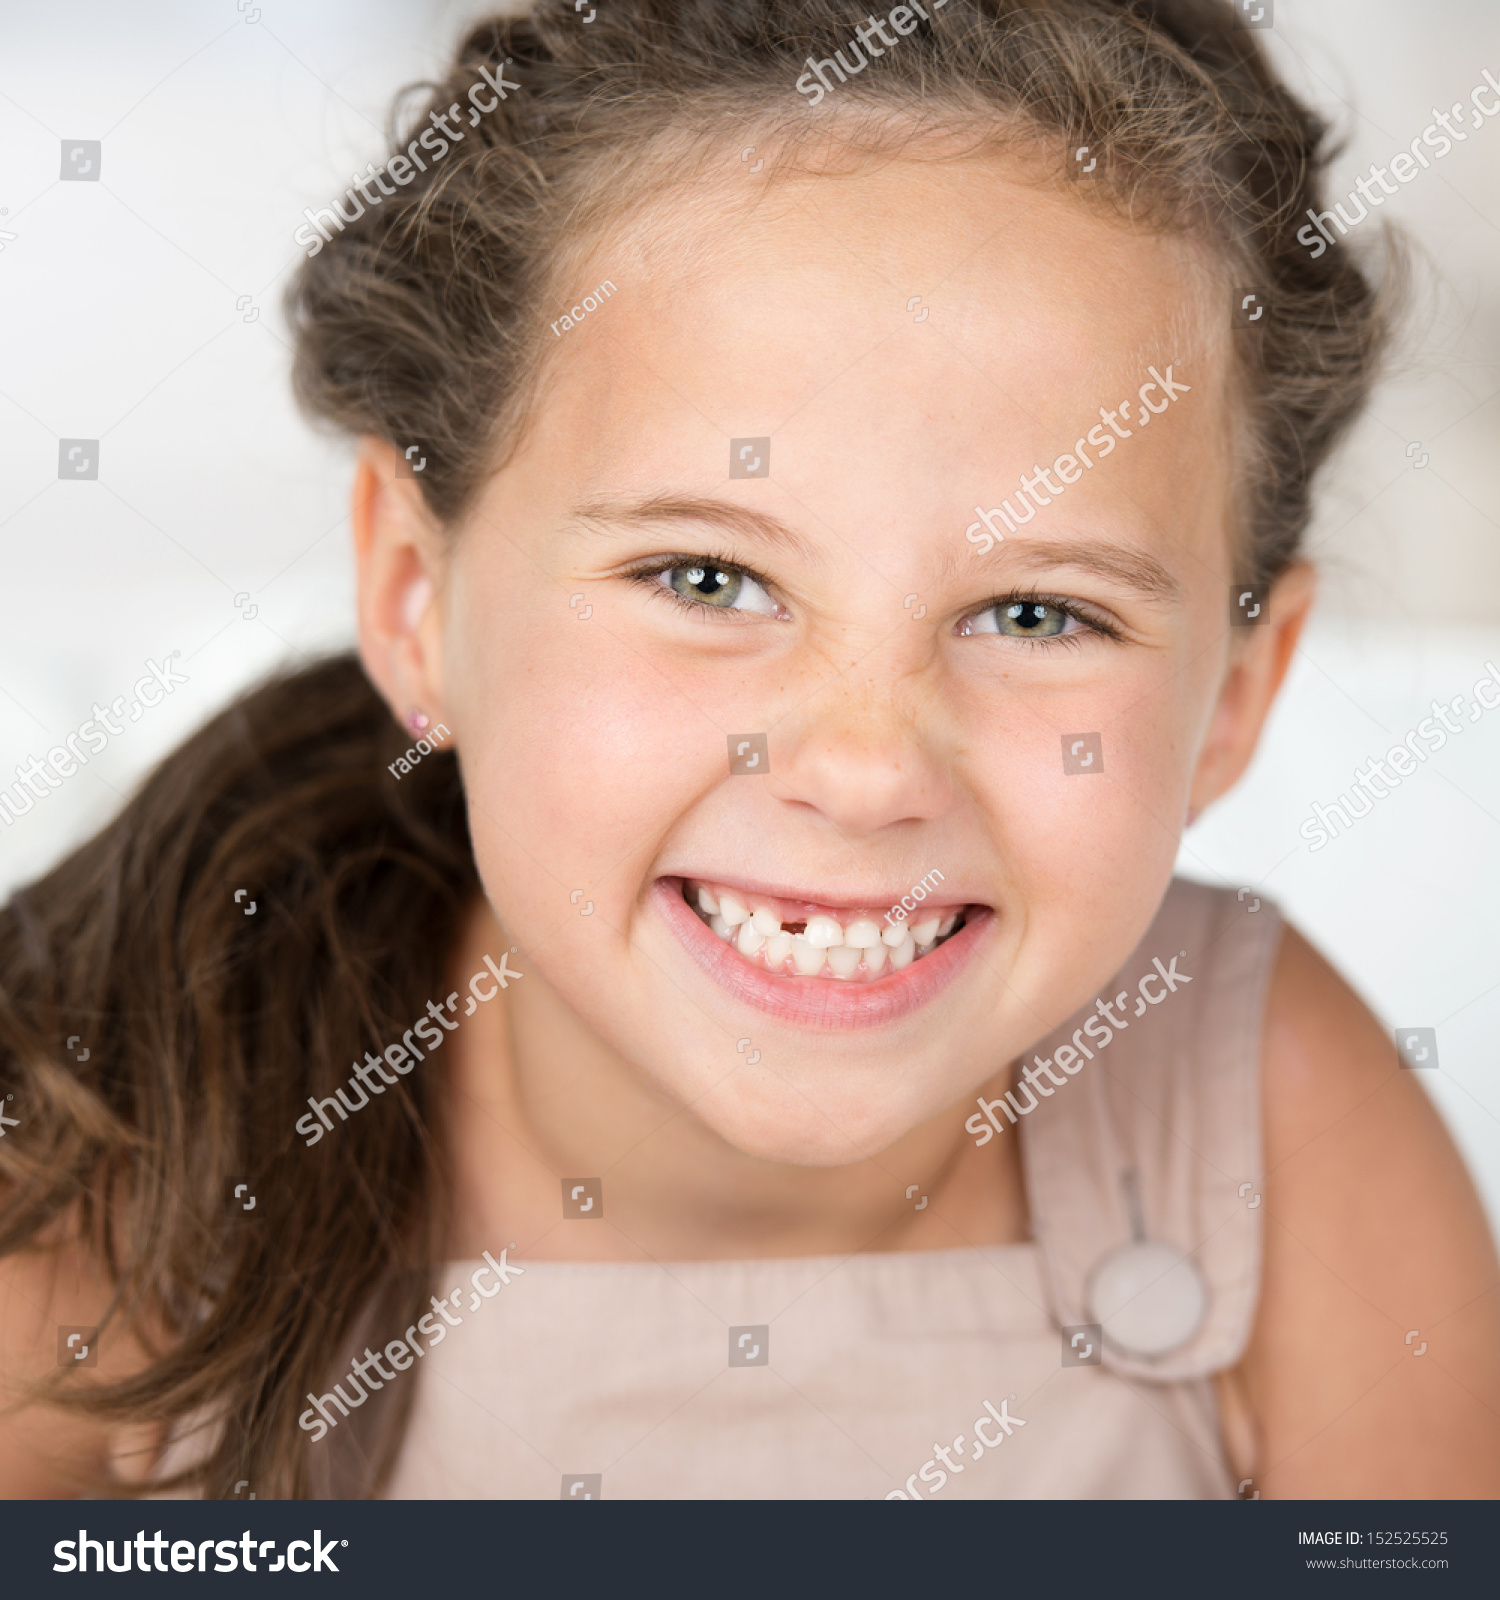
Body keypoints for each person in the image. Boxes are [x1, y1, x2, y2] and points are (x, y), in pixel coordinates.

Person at [3, 0, 1497, 1501]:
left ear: (1236, 696)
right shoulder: (124, 1173)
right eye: (706, 580)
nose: (861, 770)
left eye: (1039, 612)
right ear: (416, 596)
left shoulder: (1270, 1124)